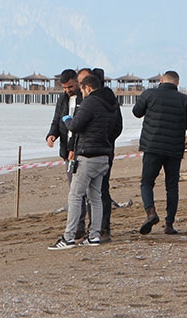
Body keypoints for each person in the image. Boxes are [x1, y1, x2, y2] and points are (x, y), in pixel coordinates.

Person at [48, 74, 121, 250]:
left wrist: (67, 120)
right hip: (104, 154)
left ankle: (68, 237)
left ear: (87, 88)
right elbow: (116, 127)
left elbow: (76, 126)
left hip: (88, 155)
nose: (81, 92)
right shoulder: (109, 103)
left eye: (82, 88)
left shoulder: (90, 102)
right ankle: (94, 235)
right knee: (95, 197)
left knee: (75, 195)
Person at [132, 70, 187, 235]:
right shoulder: (185, 100)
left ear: (161, 81)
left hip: (152, 146)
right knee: (172, 186)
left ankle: (151, 212)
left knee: (147, 182)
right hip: (174, 149)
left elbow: (136, 112)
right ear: (177, 83)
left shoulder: (149, 94)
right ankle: (169, 224)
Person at [78, 67, 123, 243]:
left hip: (97, 150)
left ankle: (100, 229)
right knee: (97, 191)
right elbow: (118, 126)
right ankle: (97, 229)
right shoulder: (109, 99)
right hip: (104, 148)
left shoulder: (96, 100)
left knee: (96, 192)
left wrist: (102, 138)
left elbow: (116, 126)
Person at [45, 69, 86, 239]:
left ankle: (90, 227)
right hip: (66, 152)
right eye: (64, 87)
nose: (67, 90)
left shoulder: (85, 99)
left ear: (77, 82)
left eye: (70, 86)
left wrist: (74, 148)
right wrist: (51, 135)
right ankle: (78, 226)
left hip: (81, 149)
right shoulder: (62, 99)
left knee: (84, 192)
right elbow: (56, 120)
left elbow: (81, 126)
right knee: (73, 191)